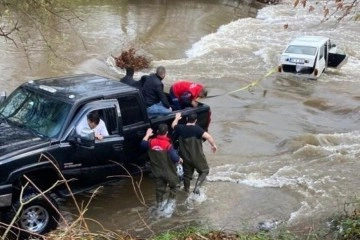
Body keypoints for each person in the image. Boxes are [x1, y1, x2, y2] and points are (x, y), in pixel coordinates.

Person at [171, 112, 217, 194]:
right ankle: (197, 188)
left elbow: (173, 125)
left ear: (187, 119)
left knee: (187, 175)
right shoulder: (197, 129)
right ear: (195, 120)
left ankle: (186, 191)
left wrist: (177, 118)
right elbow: (208, 136)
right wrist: (213, 145)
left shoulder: (180, 128)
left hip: (185, 157)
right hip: (197, 156)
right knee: (204, 171)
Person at [140, 123, 183, 209]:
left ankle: (159, 206)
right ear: (167, 132)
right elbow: (175, 158)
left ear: (157, 132)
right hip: (169, 172)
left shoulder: (151, 142)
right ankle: (169, 205)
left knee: (159, 190)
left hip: (156, 171)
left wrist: (147, 134)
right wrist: (180, 159)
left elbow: (142, 144)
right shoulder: (168, 145)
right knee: (175, 186)